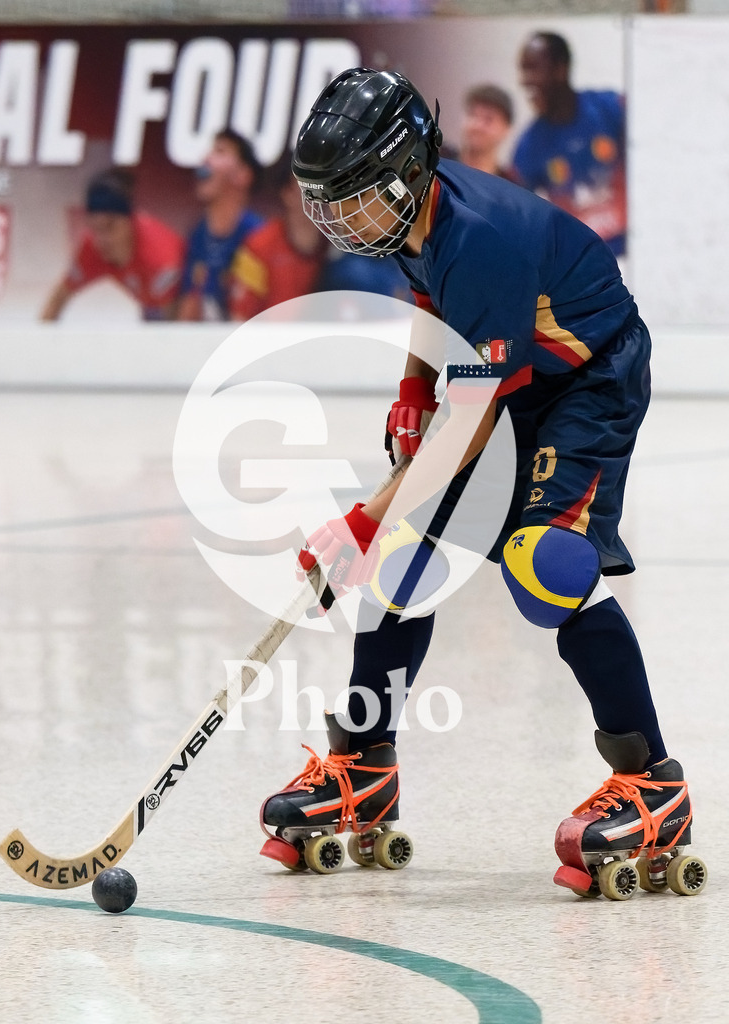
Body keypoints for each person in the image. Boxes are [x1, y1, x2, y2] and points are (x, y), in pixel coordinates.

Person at [257, 68, 705, 898]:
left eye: (351, 198)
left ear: (403, 172)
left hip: (588, 382)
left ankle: (654, 784)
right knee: (403, 562)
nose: (339, 218)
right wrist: (411, 388)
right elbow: (435, 310)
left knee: (543, 565)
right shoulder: (410, 216)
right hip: (513, 381)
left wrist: (363, 519)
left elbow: (467, 425)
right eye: (329, 200)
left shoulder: (482, 239)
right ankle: (365, 766)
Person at [512, 32, 627, 257]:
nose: (524, 80)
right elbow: (515, 217)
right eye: (523, 70)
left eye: (532, 68)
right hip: (587, 263)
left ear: (560, 69)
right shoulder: (528, 147)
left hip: (638, 249)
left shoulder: (609, 107)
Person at [40, 168, 184, 321]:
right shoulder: (92, 247)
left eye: (110, 226)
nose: (103, 239)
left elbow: (177, 325)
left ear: (130, 221)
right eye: (95, 228)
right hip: (153, 300)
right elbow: (57, 299)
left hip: (188, 296)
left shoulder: (159, 258)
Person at [179, 129, 264, 321]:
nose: (205, 159)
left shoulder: (258, 237)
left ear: (242, 175)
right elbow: (187, 313)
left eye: (220, 151)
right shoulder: (198, 236)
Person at [227, 163, 326, 321]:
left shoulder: (341, 245)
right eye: (308, 185)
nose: (319, 192)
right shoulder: (258, 246)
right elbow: (239, 319)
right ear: (288, 193)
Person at [458, 83, 515, 179]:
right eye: (472, 115)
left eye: (488, 119)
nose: (476, 125)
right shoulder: (439, 162)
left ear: (506, 129)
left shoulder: (509, 183)